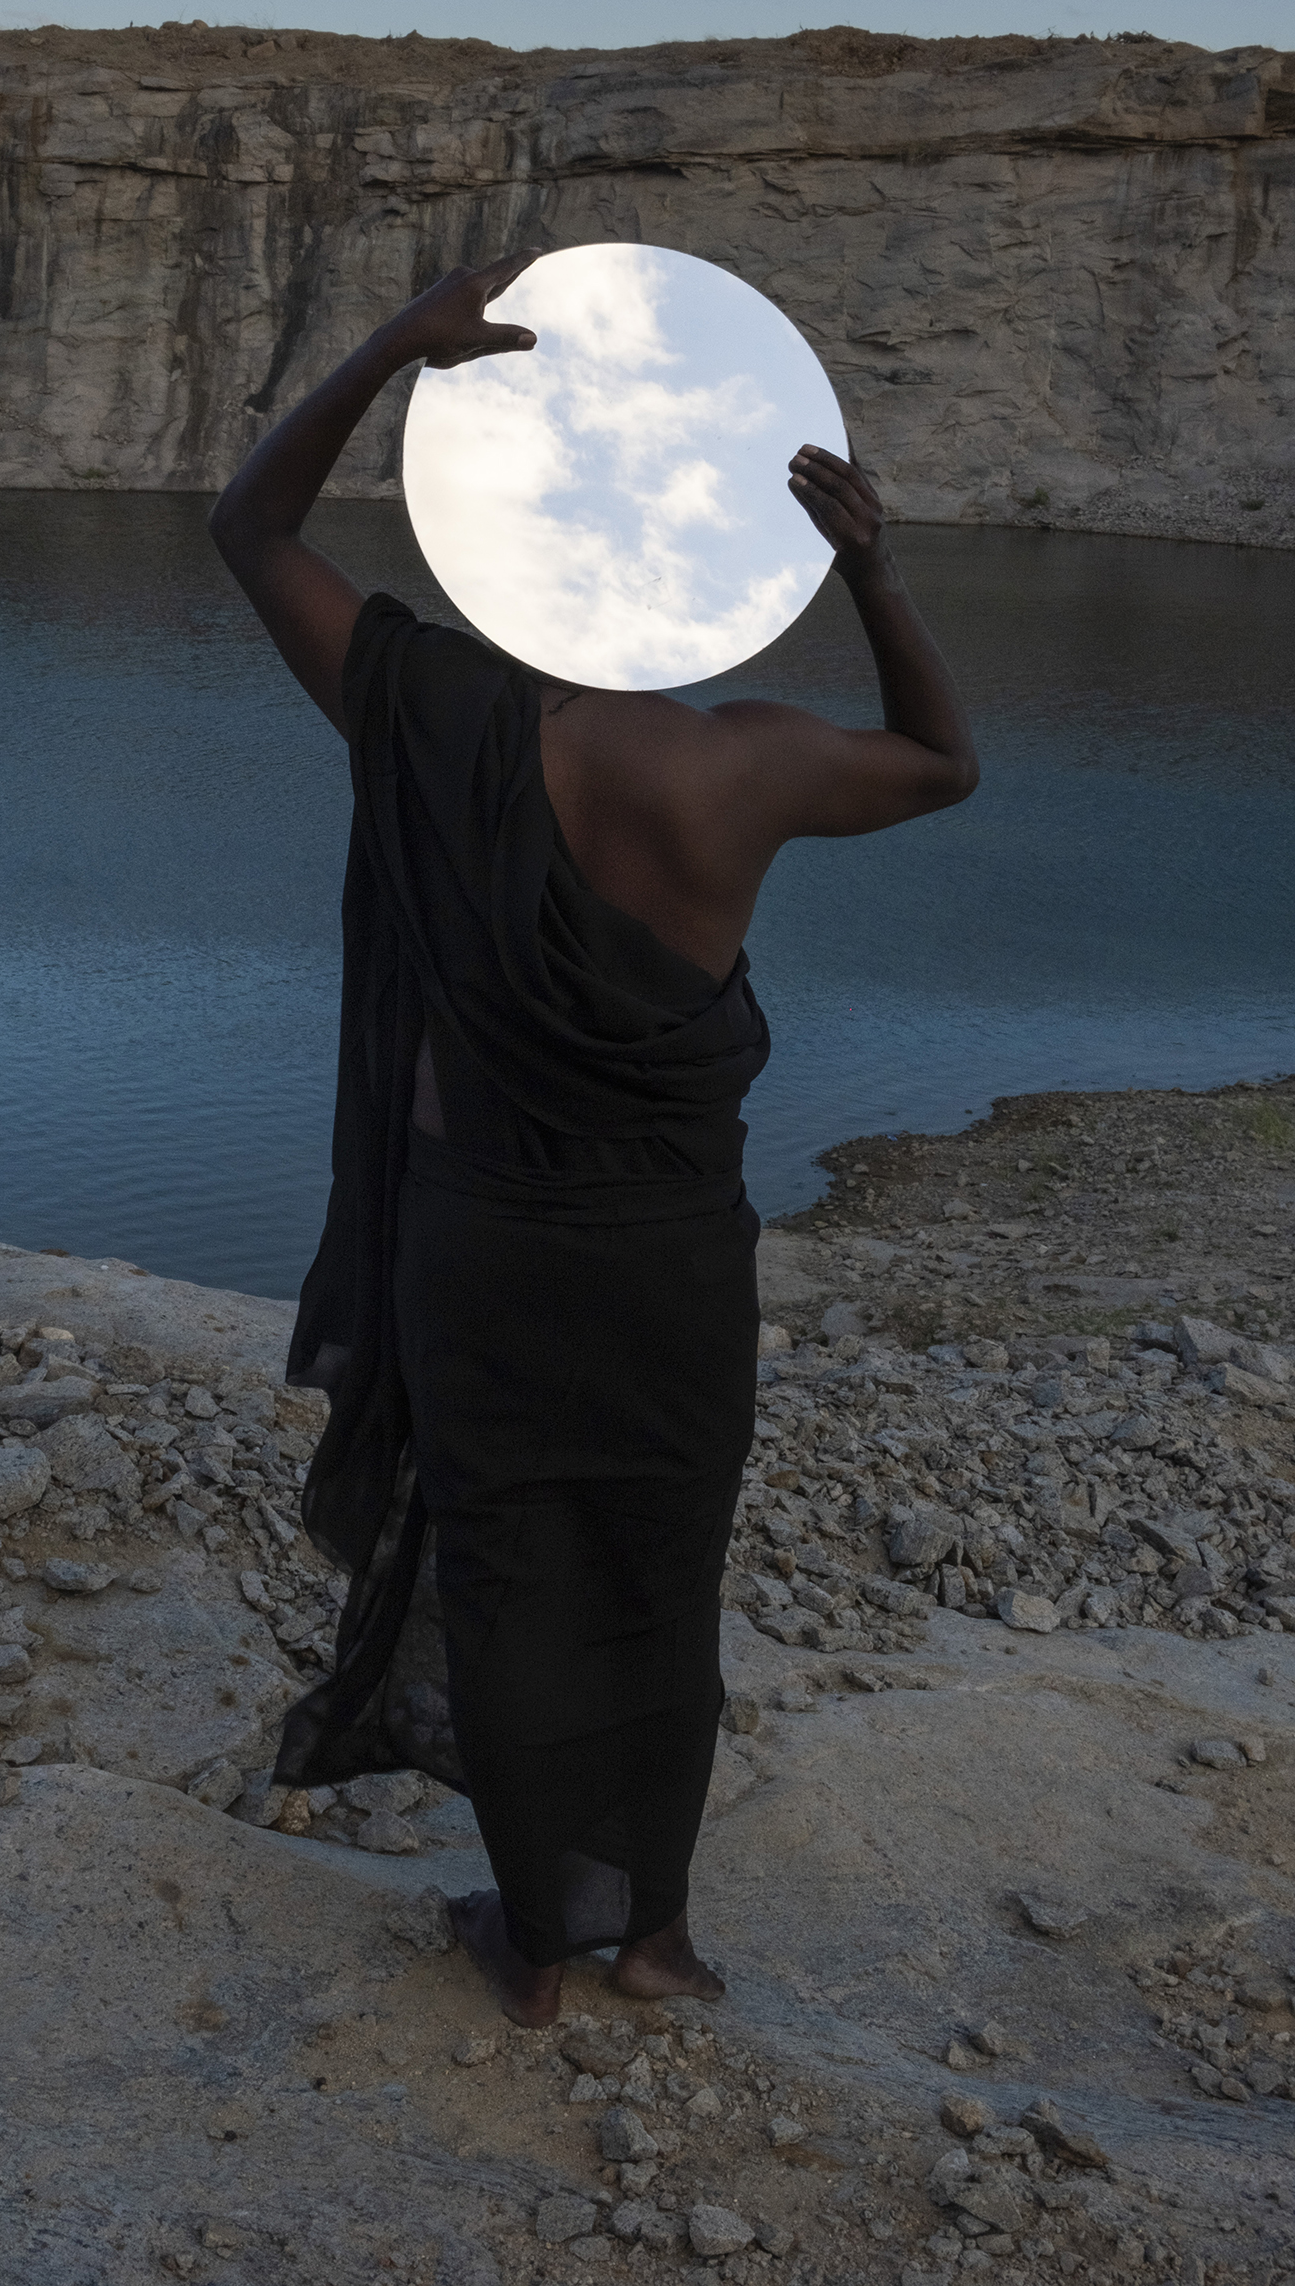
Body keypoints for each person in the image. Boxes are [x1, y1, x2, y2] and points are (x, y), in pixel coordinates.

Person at [210, 253, 978, 2027]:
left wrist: (395, 350)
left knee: (510, 1566)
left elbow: (250, 529)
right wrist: (871, 571)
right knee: (659, 1571)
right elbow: (945, 764)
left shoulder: (433, 713)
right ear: (704, 588)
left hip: (483, 1239)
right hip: (674, 1257)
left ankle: (540, 1943)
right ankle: (654, 1938)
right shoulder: (750, 763)